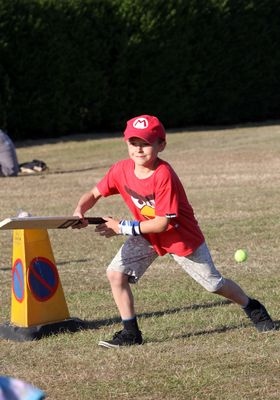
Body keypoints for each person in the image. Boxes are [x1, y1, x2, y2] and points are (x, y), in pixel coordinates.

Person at [73, 115, 275, 349]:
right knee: (115, 274)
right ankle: (131, 334)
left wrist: (121, 228)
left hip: (180, 237)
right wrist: (80, 210)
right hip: (147, 235)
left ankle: (252, 306)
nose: (139, 149)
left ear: (161, 145)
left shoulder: (163, 175)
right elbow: (95, 193)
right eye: (133, 143)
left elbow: (162, 224)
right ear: (126, 143)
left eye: (146, 143)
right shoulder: (121, 169)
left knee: (214, 285)